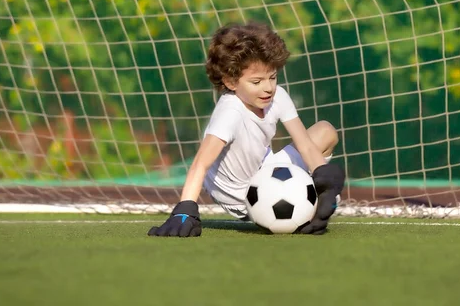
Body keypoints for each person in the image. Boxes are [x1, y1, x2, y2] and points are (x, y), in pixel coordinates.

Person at [148, 22, 345, 237]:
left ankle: (311, 197)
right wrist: (184, 211)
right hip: (241, 196)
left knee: (325, 130)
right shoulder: (229, 113)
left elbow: (305, 144)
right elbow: (200, 164)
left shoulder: (278, 96)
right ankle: (295, 207)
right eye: (256, 81)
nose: (268, 88)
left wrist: (323, 178)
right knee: (309, 206)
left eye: (272, 77)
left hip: (266, 172)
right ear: (231, 81)